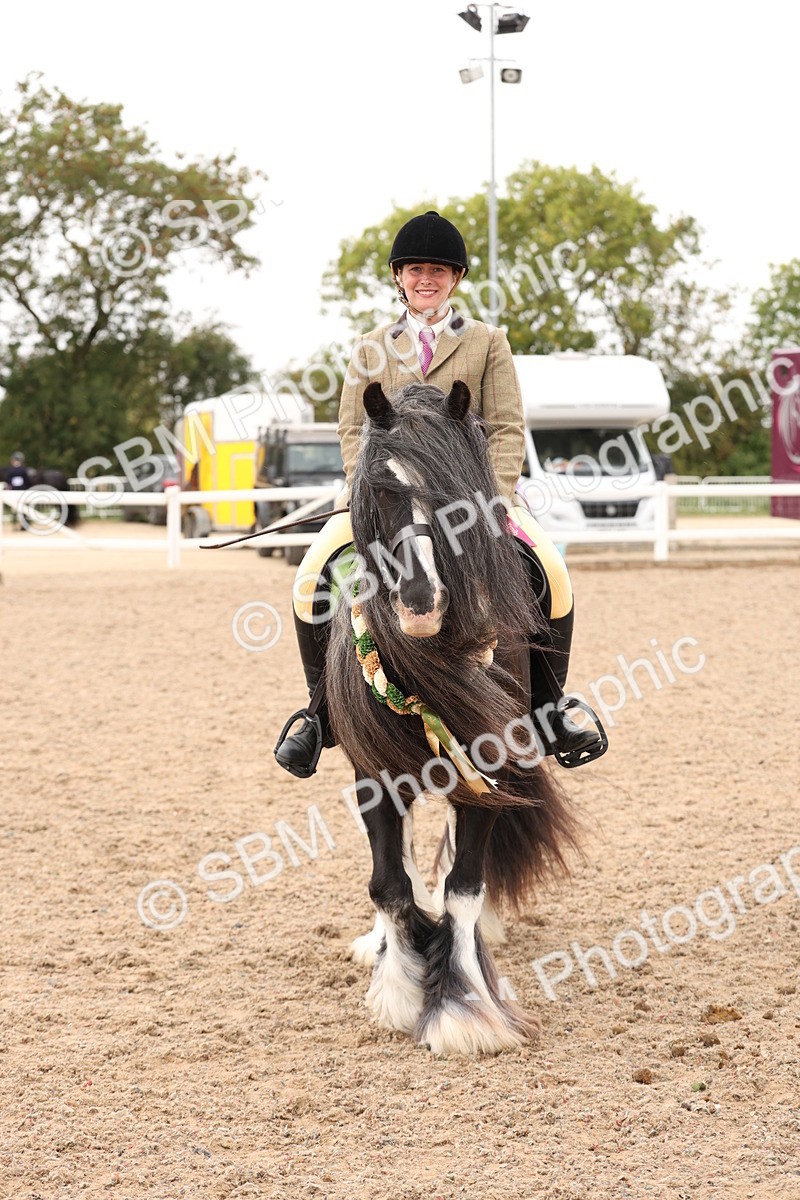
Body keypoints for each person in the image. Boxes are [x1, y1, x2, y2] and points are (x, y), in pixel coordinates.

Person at [274, 210, 602, 778]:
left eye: (439, 270)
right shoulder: (370, 346)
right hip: (388, 499)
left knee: (551, 569)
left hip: (472, 499)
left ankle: (550, 709)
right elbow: (354, 428)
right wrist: (366, 492)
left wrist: (493, 498)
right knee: (310, 577)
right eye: (416, 269)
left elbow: (504, 426)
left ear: (456, 278)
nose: (427, 279)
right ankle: (319, 713)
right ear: (399, 277)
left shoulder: (487, 344)